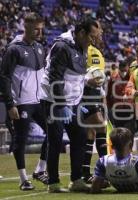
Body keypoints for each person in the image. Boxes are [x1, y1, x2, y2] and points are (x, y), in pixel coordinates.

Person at [40, 17, 99, 193]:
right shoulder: (62, 46)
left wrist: (78, 100)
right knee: (55, 141)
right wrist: (61, 104)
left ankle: (76, 180)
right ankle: (54, 183)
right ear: (81, 33)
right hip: (53, 101)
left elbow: (75, 78)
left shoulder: (82, 47)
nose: (93, 40)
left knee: (80, 137)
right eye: (92, 36)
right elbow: (55, 77)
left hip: (72, 102)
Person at [0, 12, 48, 190]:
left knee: (53, 133)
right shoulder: (14, 49)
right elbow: (4, 77)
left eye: (41, 29)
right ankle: (23, 179)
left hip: (39, 101)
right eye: (36, 29)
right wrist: (10, 104)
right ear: (26, 27)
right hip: (22, 102)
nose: (39, 32)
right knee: (21, 140)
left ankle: (40, 170)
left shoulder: (40, 48)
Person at [81, 21, 108, 184]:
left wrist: (102, 94)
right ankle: (105, 170)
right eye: (99, 32)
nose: (101, 34)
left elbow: (99, 78)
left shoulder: (96, 52)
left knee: (91, 132)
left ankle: (85, 172)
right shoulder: (90, 51)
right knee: (100, 126)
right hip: (86, 93)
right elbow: (92, 75)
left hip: (92, 93)